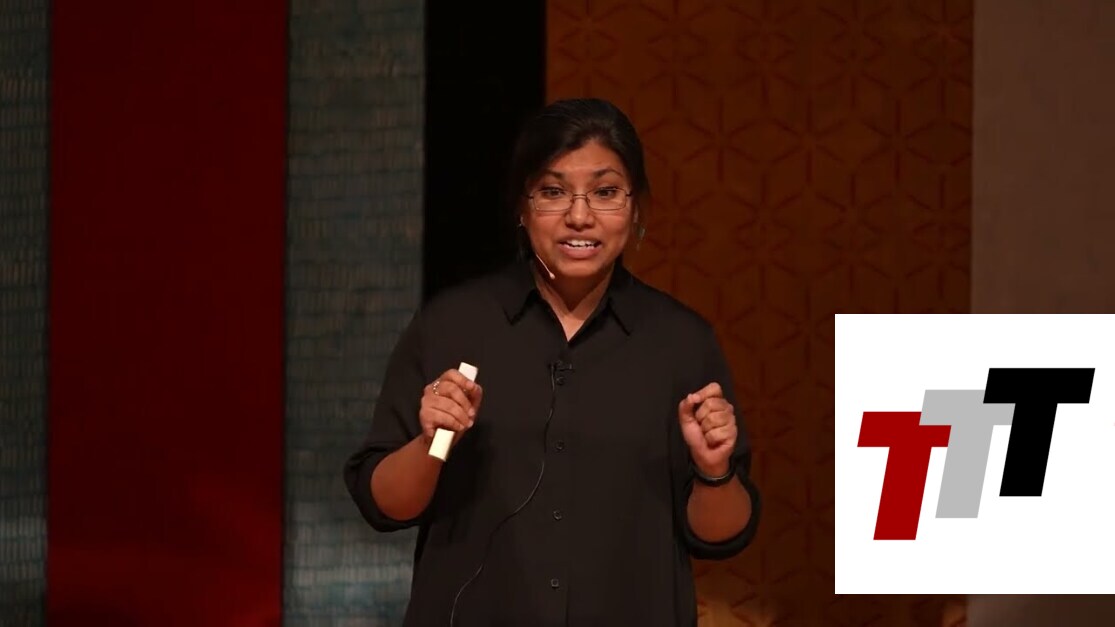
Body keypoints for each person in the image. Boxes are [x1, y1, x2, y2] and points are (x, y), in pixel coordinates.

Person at [344, 97, 760, 626]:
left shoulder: (681, 341)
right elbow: (384, 506)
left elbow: (720, 537)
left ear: (635, 207)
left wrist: (713, 471)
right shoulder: (453, 325)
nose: (579, 216)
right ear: (522, 208)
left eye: (605, 192)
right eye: (553, 191)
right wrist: (432, 443)